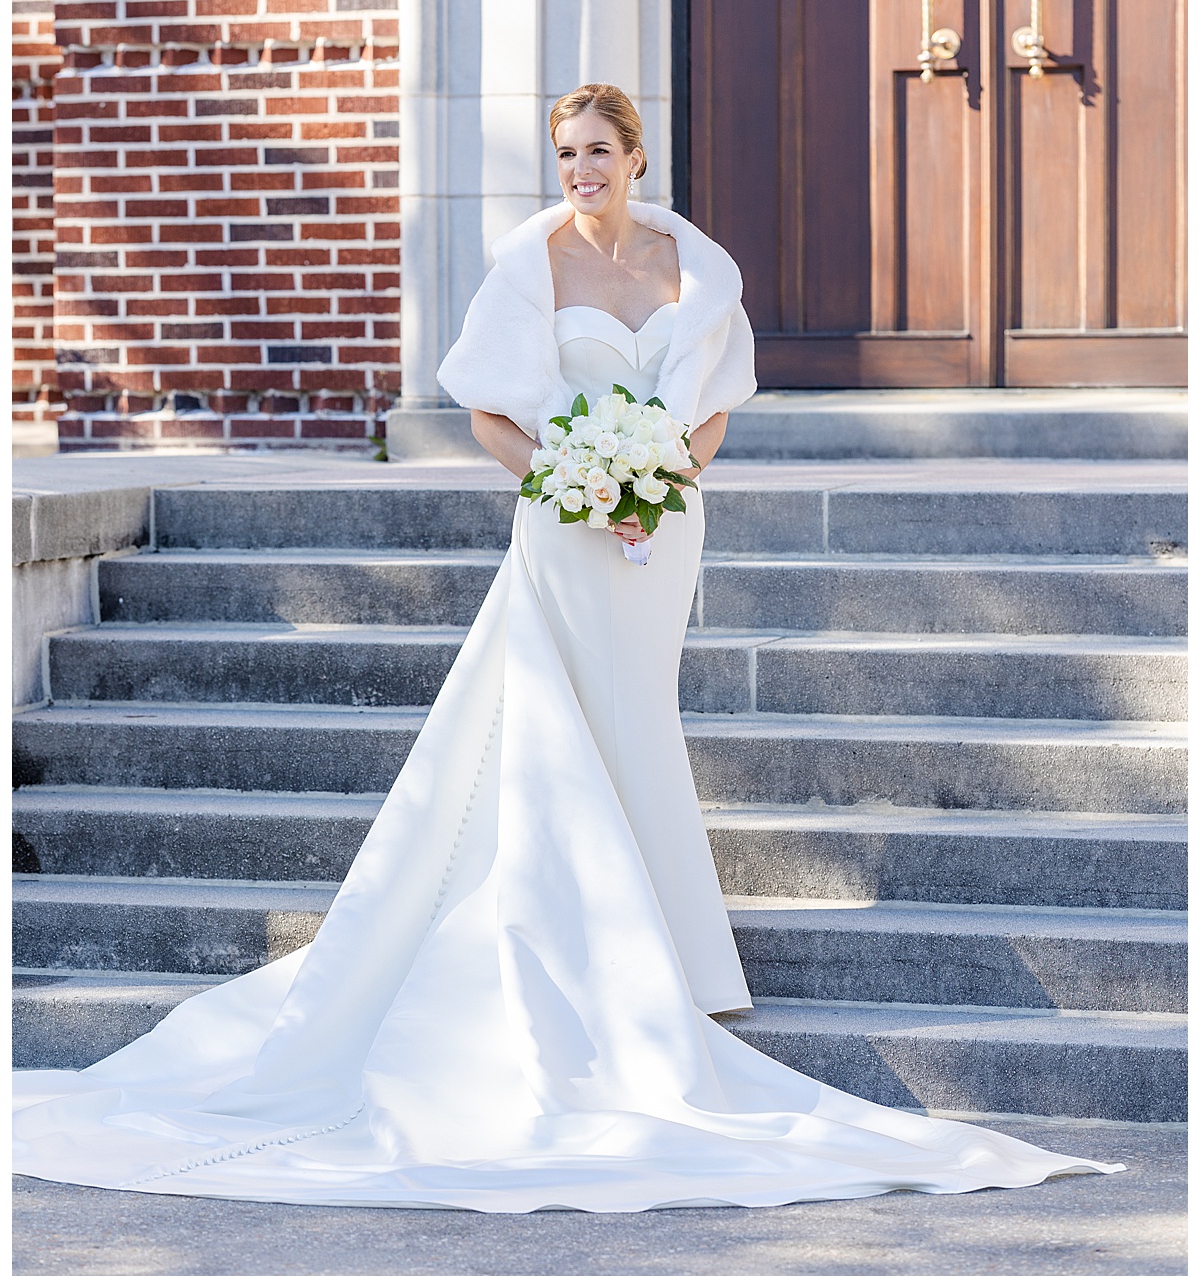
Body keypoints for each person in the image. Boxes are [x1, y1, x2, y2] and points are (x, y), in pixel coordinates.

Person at [12, 83, 1118, 1210]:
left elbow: (714, 410)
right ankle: (579, 953)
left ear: (636, 157)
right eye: (564, 154)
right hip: (563, 523)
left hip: (663, 532)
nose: (580, 171)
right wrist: (574, 485)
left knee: (637, 722)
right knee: (556, 727)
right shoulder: (530, 267)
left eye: (597, 151)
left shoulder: (699, 271)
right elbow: (493, 417)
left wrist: (663, 480)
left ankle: (668, 959)